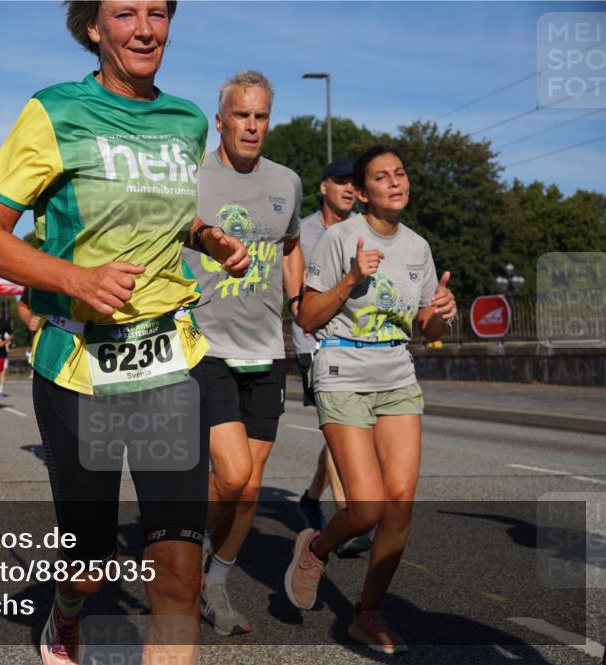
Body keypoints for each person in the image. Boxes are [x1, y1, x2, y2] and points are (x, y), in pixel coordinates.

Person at [0, 2, 248, 662]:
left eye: (158, 13)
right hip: (80, 363)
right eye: (124, 14)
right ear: (94, 28)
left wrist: (207, 236)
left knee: (176, 575)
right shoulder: (55, 112)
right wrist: (77, 279)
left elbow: (164, 215)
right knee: (89, 566)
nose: (145, 29)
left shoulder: (186, 121)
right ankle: (66, 614)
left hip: (167, 361)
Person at [285, 145, 456, 654]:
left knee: (399, 505)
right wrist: (352, 278)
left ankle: (368, 614)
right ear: (362, 193)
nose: (395, 182)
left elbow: (426, 328)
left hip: (397, 374)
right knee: (364, 509)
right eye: (382, 177)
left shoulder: (418, 247)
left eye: (400, 173)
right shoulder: (339, 238)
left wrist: (443, 312)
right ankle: (316, 548)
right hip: (342, 372)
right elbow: (307, 318)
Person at [181, 71, 303, 636]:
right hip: (206, 345)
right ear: (220, 120)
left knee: (250, 487)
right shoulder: (191, 177)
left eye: (261, 116)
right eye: (241, 115)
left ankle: (214, 585)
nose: (251, 126)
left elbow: (291, 245)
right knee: (231, 475)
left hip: (266, 349)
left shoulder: (287, 182)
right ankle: (182, 555)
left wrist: (298, 301)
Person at [292, 159, 372, 558]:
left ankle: (310, 497)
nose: (348, 188)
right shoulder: (303, 232)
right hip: (314, 343)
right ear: (324, 187)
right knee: (340, 427)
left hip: (358, 344)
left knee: (345, 432)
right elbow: (293, 284)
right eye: (340, 182)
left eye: (353, 183)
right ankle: (348, 517)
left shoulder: (366, 229)